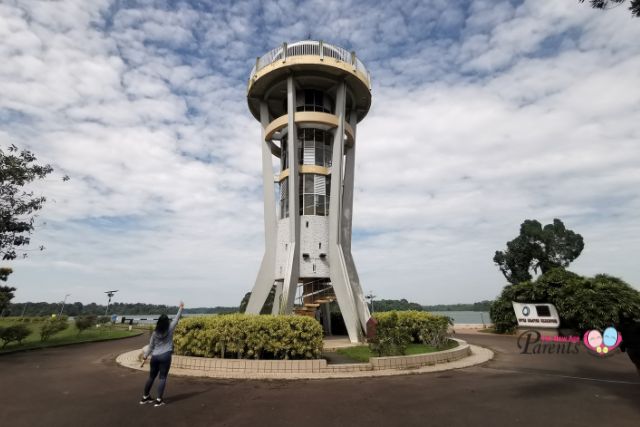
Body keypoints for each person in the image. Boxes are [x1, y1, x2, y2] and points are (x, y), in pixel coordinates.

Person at [139, 301, 184, 406]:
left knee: (151, 377)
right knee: (162, 377)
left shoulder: (155, 333)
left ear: (158, 322)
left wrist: (145, 356)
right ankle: (159, 400)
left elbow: (150, 346)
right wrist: (181, 308)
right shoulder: (170, 328)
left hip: (155, 357)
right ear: (167, 322)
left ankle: (145, 397)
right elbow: (176, 319)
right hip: (165, 356)